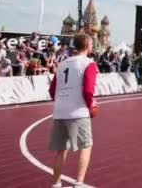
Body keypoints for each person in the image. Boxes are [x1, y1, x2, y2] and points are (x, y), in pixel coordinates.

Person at [48, 34, 98, 188]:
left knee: (61, 150)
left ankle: (56, 184)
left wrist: (62, 102)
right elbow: (88, 90)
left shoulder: (62, 63)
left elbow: (52, 90)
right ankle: (79, 182)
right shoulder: (89, 63)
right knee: (86, 145)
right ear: (89, 46)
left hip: (60, 111)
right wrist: (91, 105)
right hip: (78, 111)